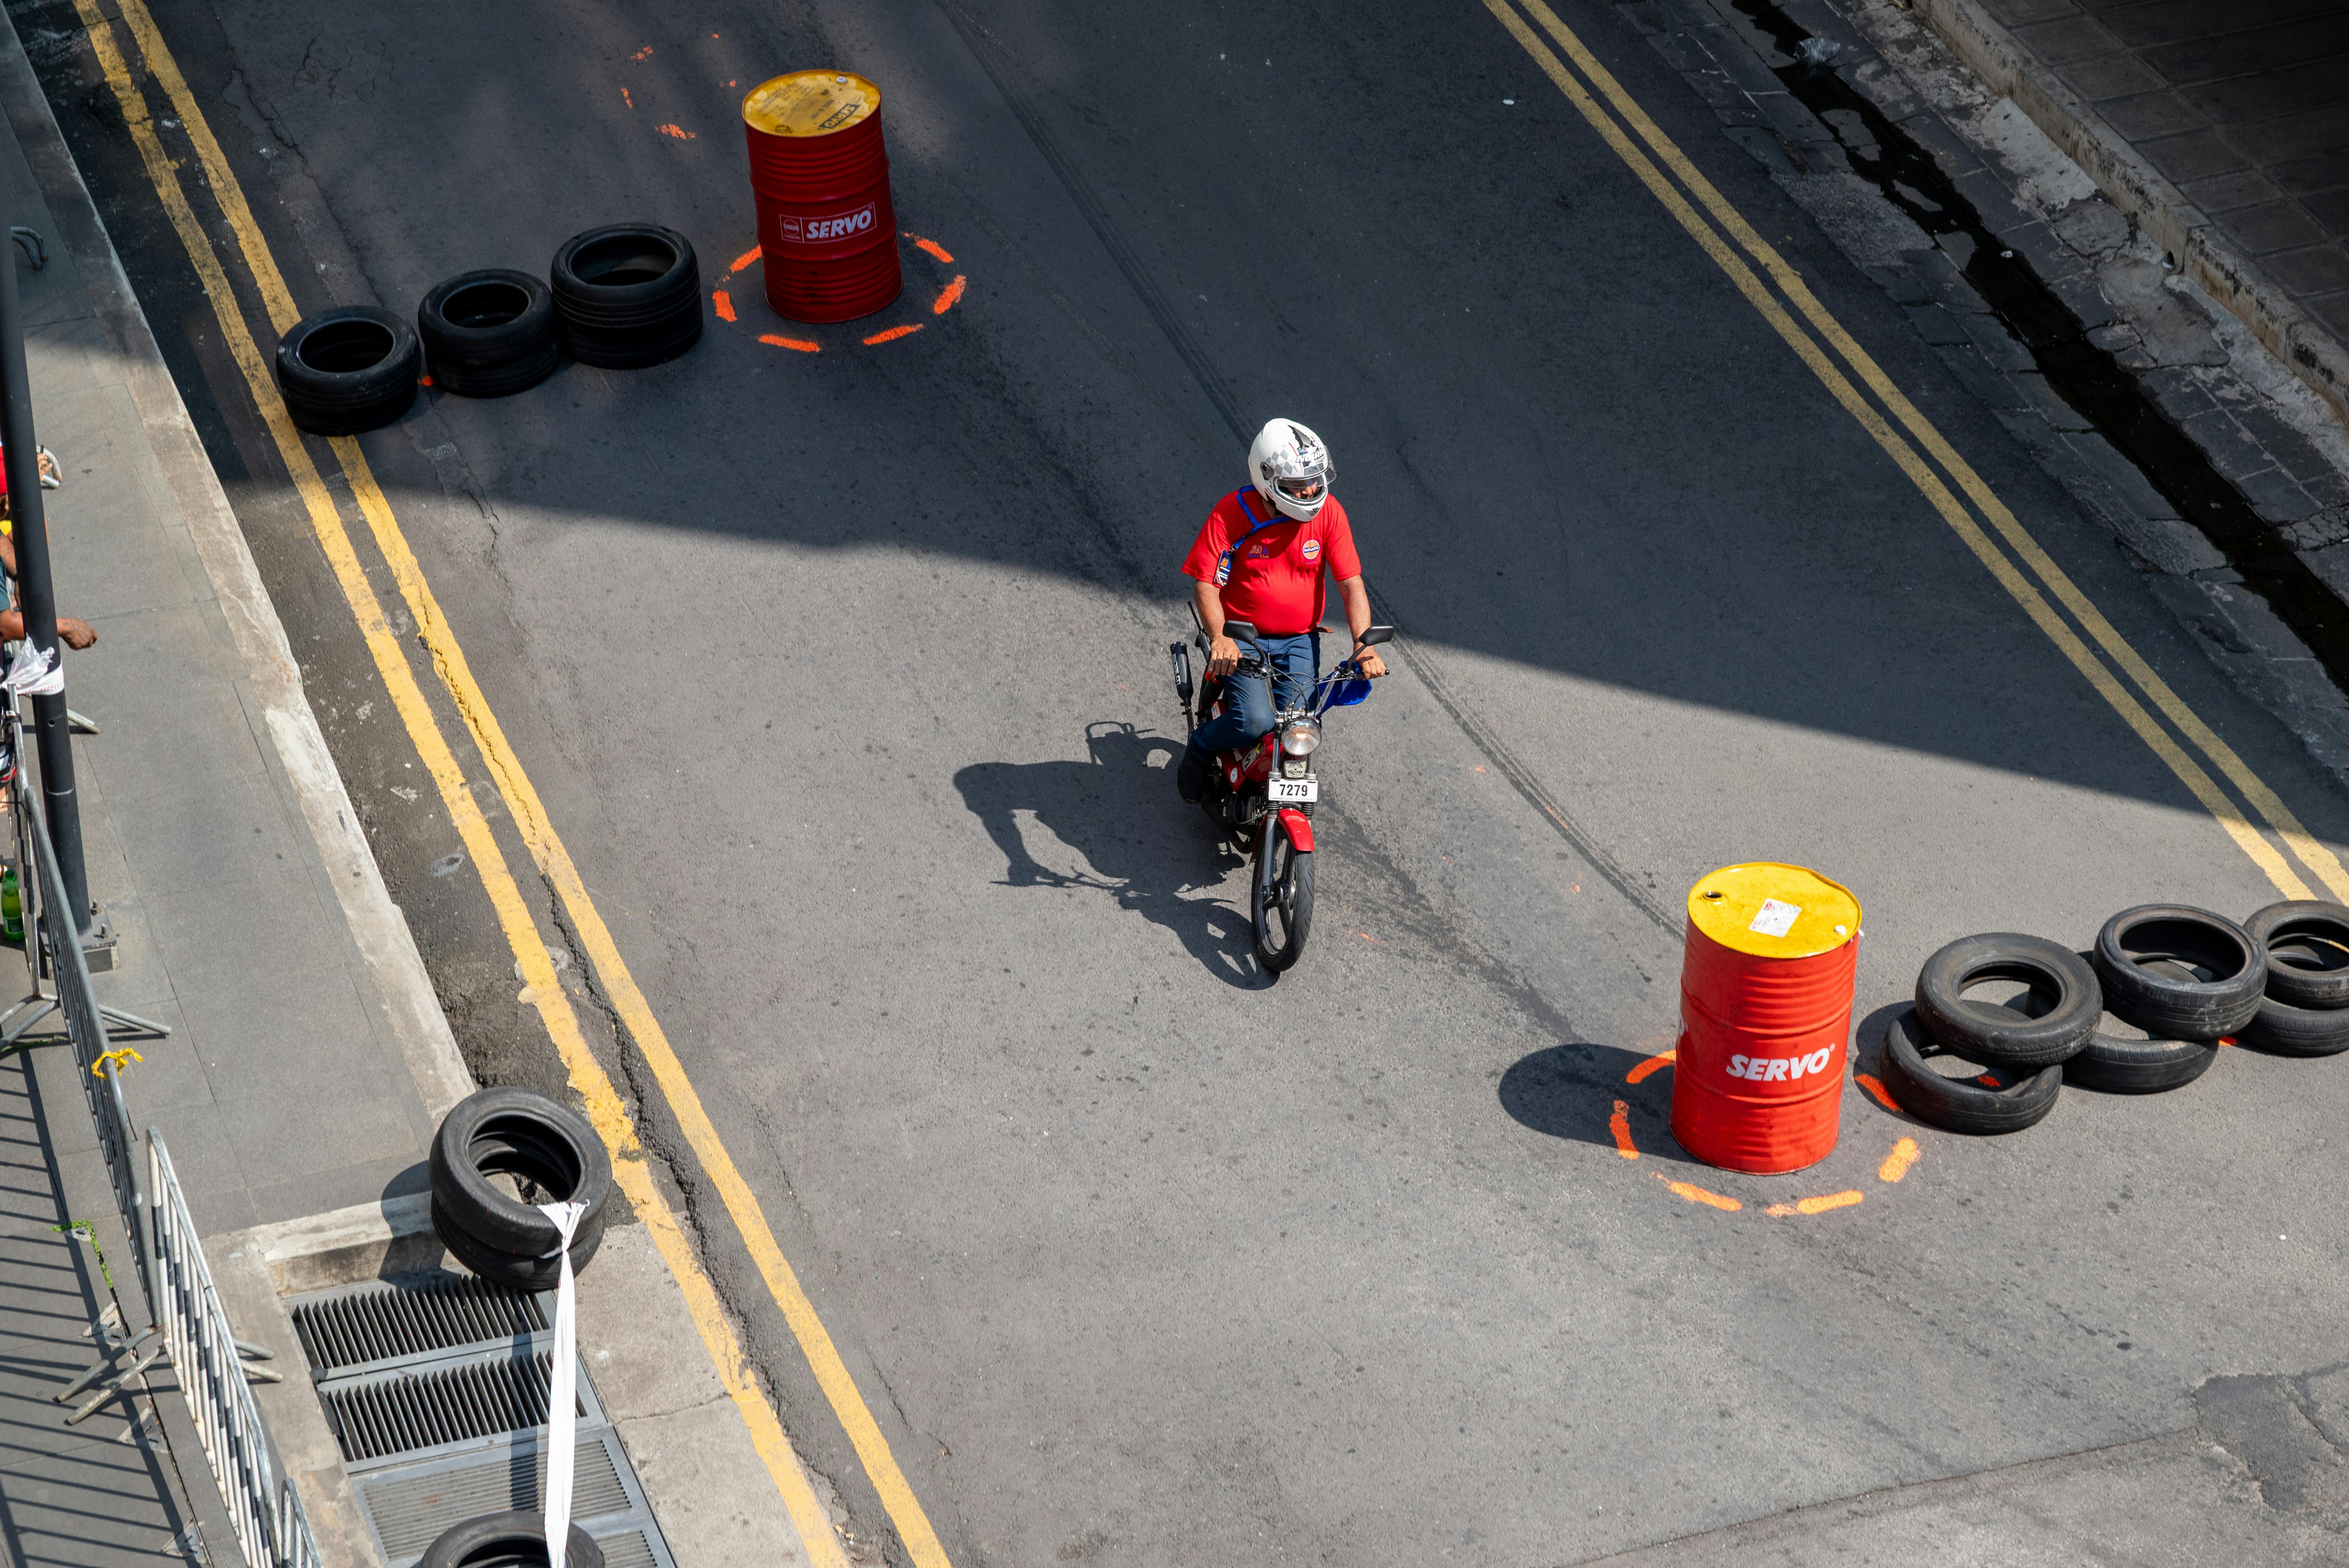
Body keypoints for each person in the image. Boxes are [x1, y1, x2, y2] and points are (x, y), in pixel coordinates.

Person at [1176, 418, 1385, 803]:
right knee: (1254, 721)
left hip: (1299, 641)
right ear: (1267, 479)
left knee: (1299, 731)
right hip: (1242, 637)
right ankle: (1202, 746)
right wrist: (1221, 636)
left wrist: (1363, 646)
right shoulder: (1233, 513)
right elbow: (1206, 583)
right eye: (1296, 485)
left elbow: (1351, 583)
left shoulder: (1329, 513)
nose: (1309, 491)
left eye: (1315, 480)